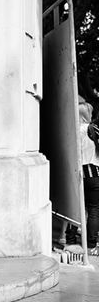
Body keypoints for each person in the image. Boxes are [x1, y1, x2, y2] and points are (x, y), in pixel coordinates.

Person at [65, 95, 99, 254]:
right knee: (93, 210)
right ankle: (91, 245)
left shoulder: (70, 132)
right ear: (87, 115)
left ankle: (70, 241)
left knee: (75, 208)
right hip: (93, 173)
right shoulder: (93, 129)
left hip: (76, 174)